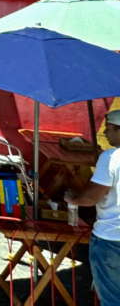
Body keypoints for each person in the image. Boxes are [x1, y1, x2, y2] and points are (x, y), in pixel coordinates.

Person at [65, 109, 120, 306]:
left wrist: (73, 199)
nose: (105, 133)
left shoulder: (112, 157)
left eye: (109, 129)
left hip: (112, 238)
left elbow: (92, 197)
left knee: (113, 299)